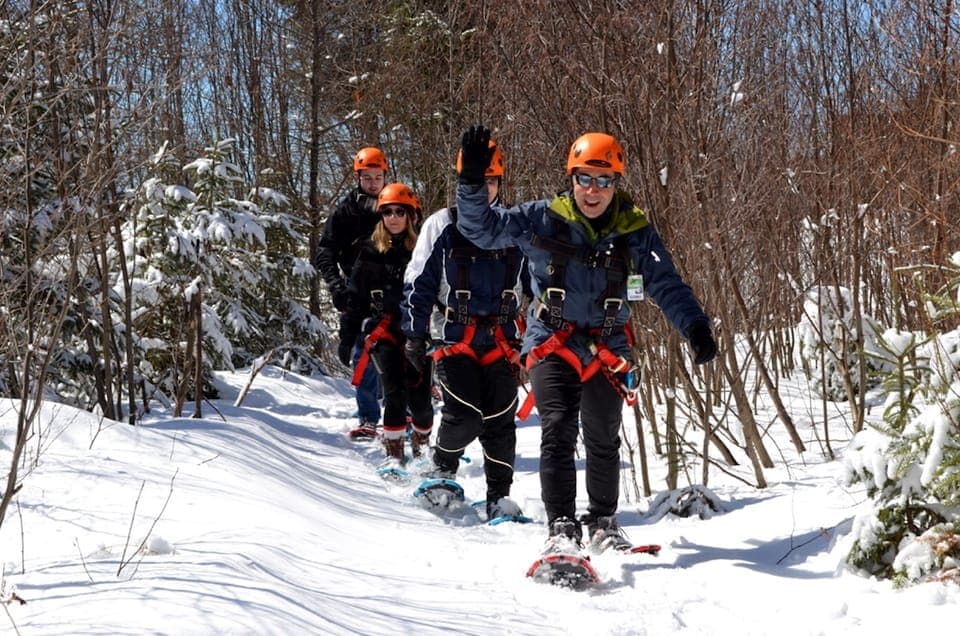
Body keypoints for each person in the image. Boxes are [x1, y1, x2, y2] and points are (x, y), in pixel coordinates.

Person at [454, 125, 717, 552]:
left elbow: (666, 283)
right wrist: (470, 181)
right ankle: (560, 524)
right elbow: (481, 230)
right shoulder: (542, 219)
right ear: (571, 179)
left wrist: (696, 327)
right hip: (551, 340)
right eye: (584, 179)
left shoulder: (635, 233)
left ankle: (603, 520)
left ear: (615, 184)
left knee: (603, 432)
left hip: (608, 345)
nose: (592, 191)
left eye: (603, 181)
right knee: (558, 427)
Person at [401, 139, 531, 520]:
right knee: (466, 414)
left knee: (501, 422)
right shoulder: (442, 224)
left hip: (503, 340)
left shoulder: (514, 226)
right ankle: (441, 466)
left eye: (492, 181)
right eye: (477, 180)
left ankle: (498, 497)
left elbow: (540, 284)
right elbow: (419, 281)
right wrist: (414, 334)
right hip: (454, 337)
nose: (484, 188)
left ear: (500, 183)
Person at [339, 183, 434, 461]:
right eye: (388, 212)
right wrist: (347, 338)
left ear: (411, 216)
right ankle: (394, 455)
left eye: (399, 212)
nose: (393, 217)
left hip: (418, 333)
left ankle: (422, 449)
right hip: (384, 332)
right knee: (394, 393)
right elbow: (355, 299)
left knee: (421, 401)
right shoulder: (369, 253)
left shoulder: (424, 253)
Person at [317, 147, 387, 439]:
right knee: (363, 356)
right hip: (358, 292)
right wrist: (336, 285)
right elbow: (325, 251)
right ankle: (369, 417)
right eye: (367, 177)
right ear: (358, 177)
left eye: (378, 177)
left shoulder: (394, 205)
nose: (373, 183)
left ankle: (405, 415)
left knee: (402, 357)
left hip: (393, 290)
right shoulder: (345, 212)